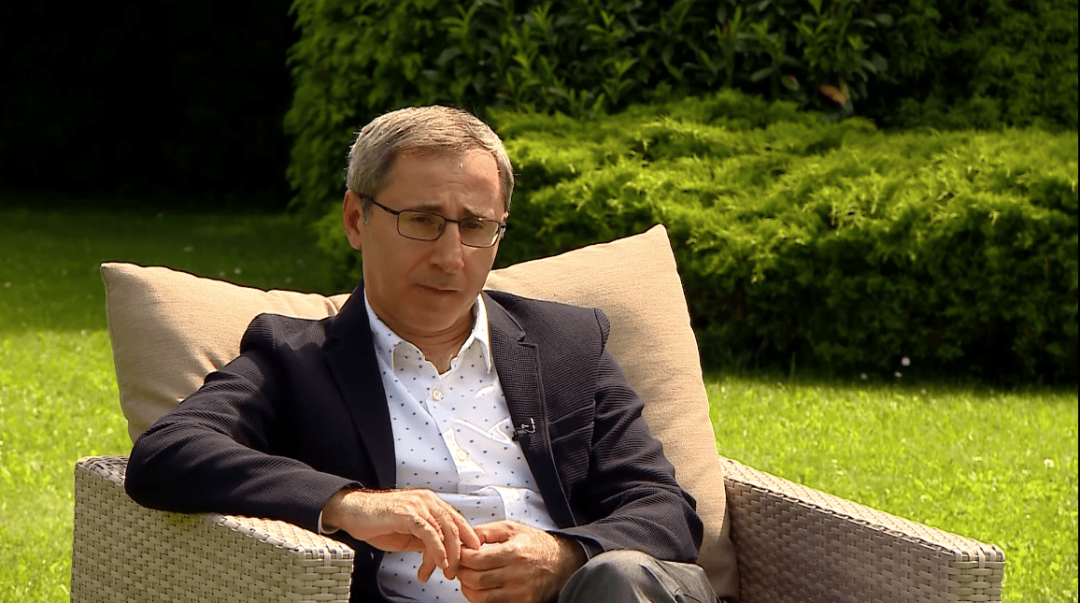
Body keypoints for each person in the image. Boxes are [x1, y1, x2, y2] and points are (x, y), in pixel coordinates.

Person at [125, 106, 720, 603]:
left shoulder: (567, 344)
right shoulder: (296, 358)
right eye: (423, 220)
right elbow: (167, 452)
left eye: (475, 226)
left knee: (620, 577)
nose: (451, 256)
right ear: (356, 218)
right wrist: (349, 504)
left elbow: (665, 511)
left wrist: (563, 558)